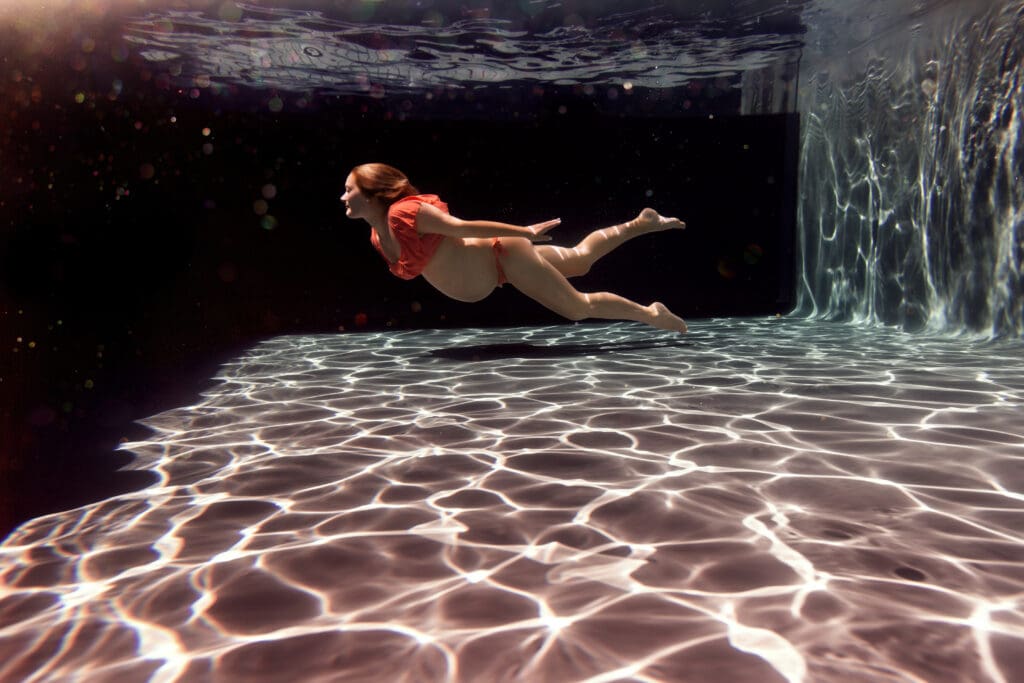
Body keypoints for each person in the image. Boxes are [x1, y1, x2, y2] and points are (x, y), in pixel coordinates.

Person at [341, 163, 689, 333]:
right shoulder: (377, 237)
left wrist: (523, 231)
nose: (343, 197)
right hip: (499, 269)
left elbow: (461, 227)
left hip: (502, 254)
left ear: (372, 192)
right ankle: (641, 223)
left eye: (349, 189)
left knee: (576, 308)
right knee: (581, 259)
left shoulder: (406, 214)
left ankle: (650, 314)